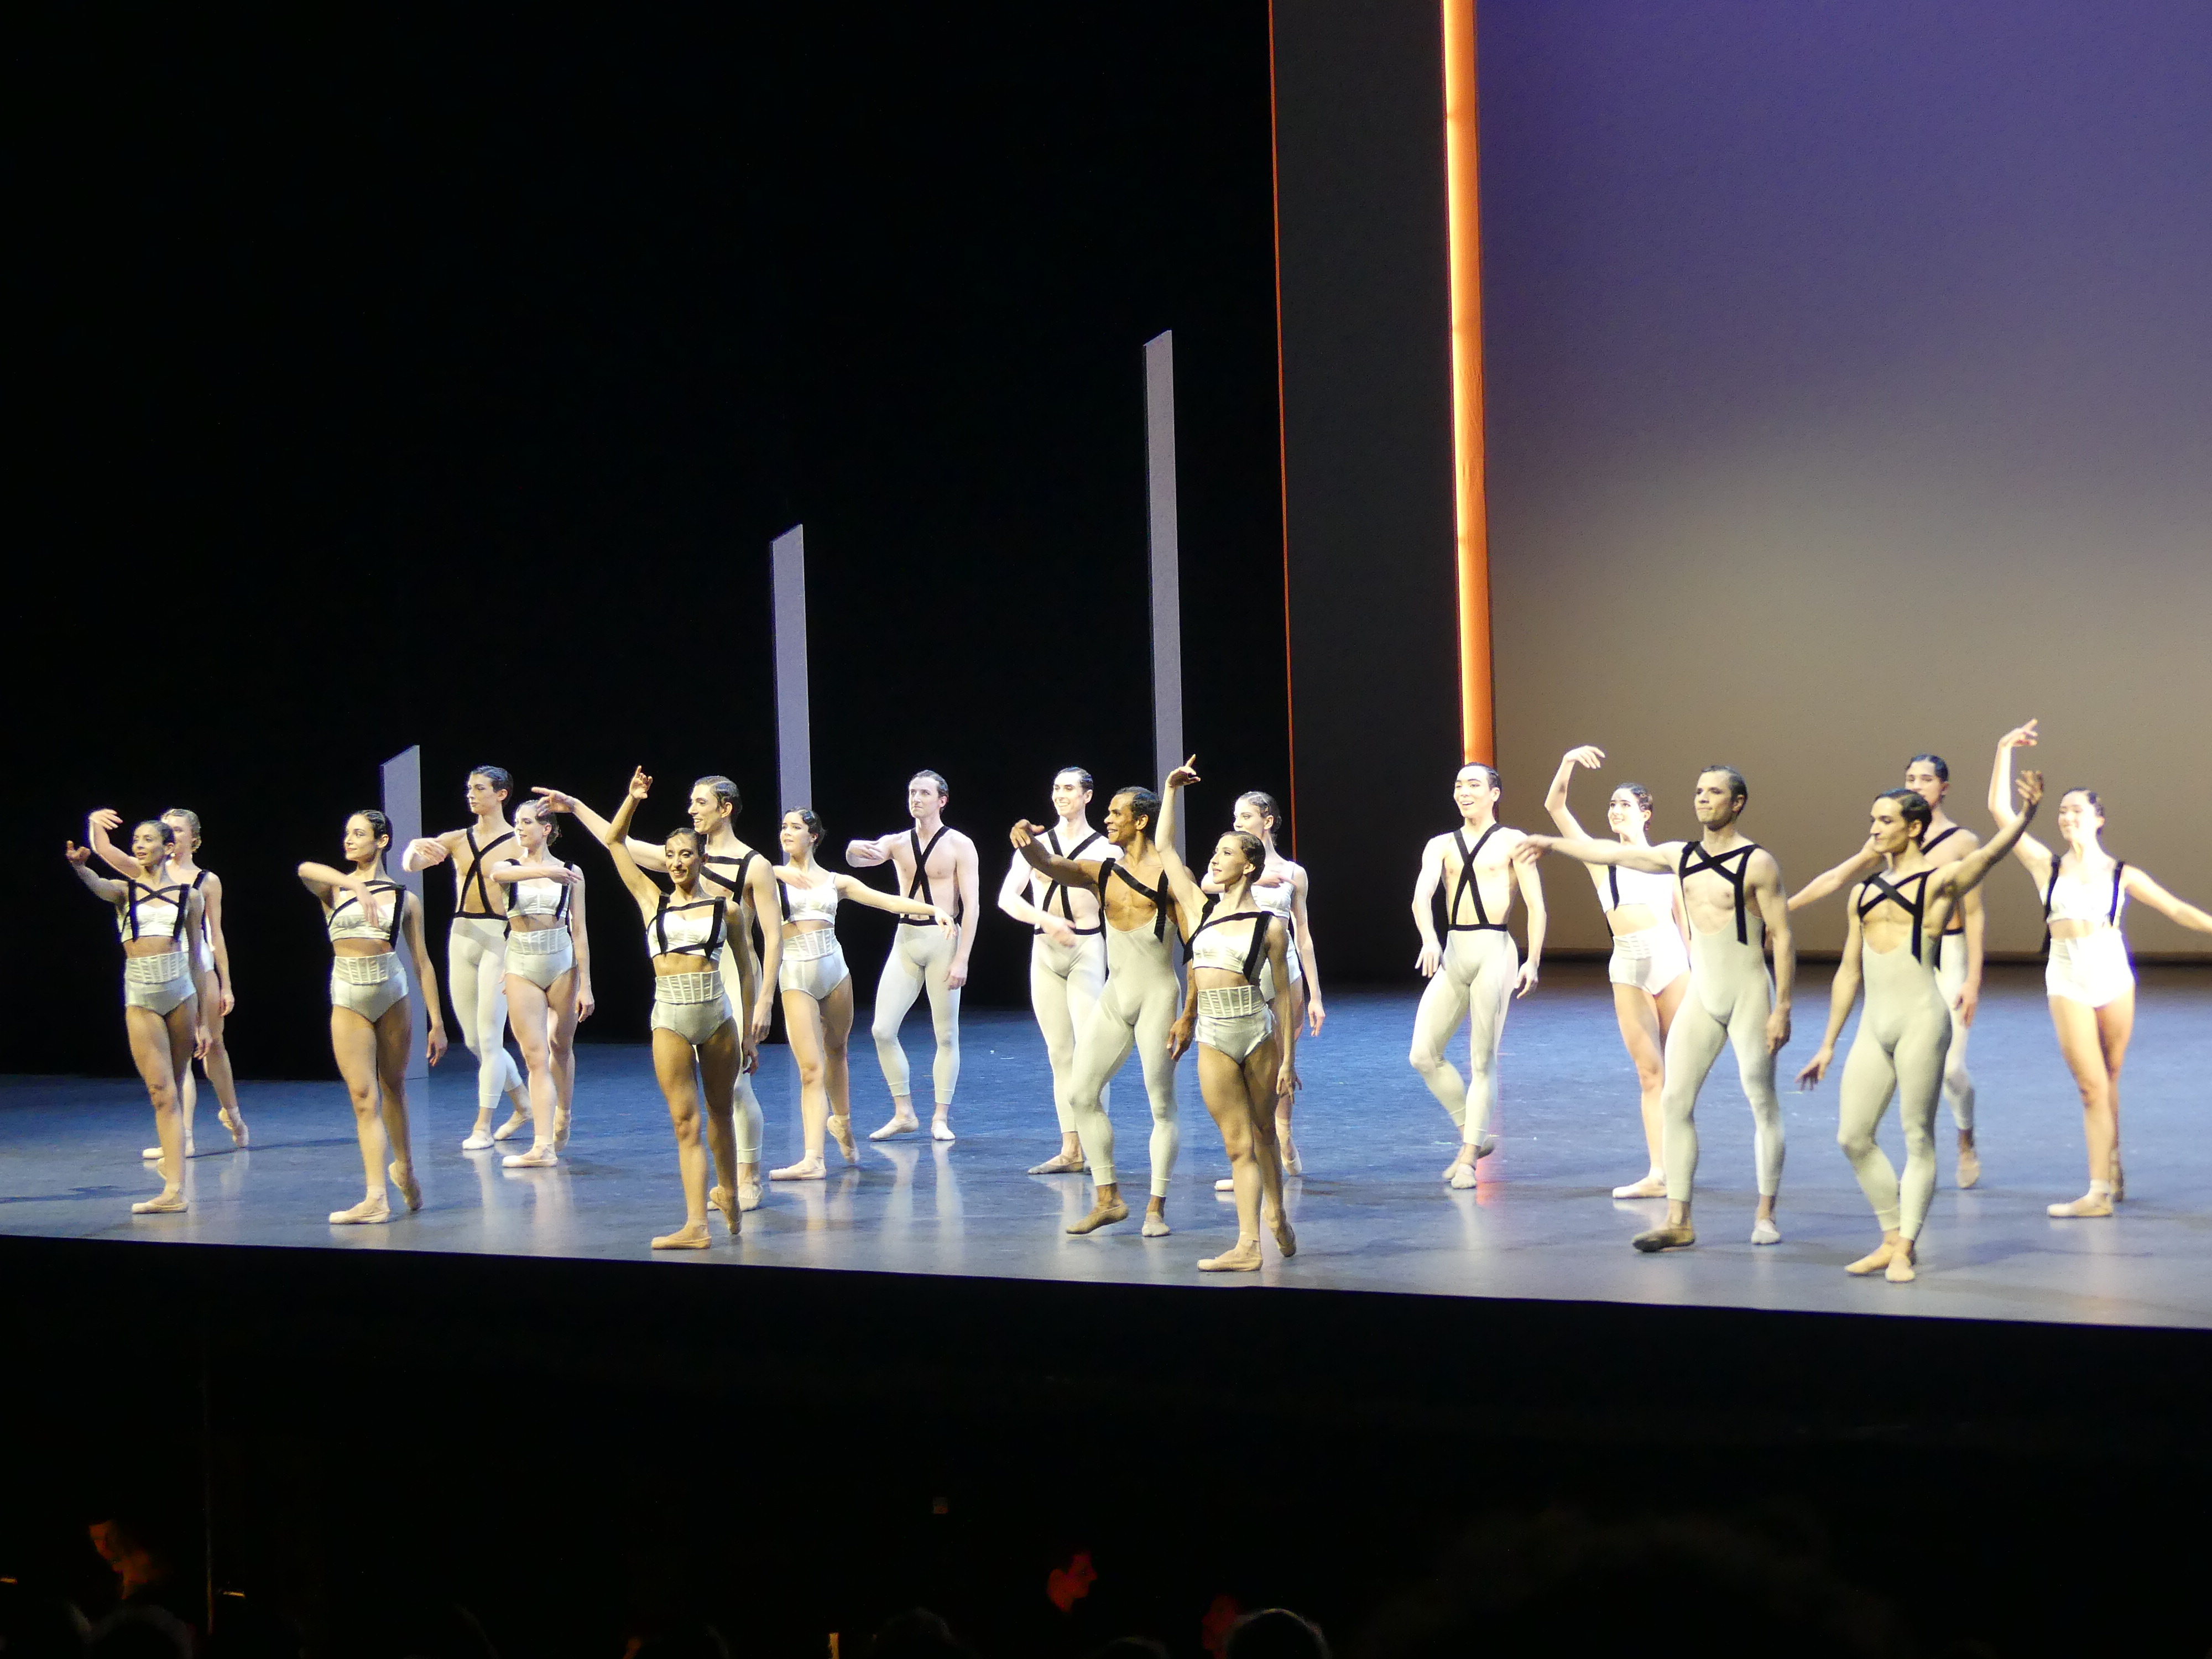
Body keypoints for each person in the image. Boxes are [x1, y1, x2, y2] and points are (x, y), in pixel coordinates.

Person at [1515, 764, 1793, 1251]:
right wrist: (1552, 842)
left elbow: (1784, 937)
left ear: (1737, 802)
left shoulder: (1758, 863)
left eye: (1715, 792)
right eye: (1699, 791)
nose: (1703, 798)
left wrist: (1783, 1006)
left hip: (1747, 990)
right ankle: (1678, 1220)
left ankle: (1766, 1214)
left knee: (1761, 1101)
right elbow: (1611, 852)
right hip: (1702, 991)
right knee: (1673, 1099)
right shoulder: (1680, 856)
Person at [1794, 759, 2041, 1281]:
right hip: (1874, 1025)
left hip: (1922, 1022)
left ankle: (1906, 1247)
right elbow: (1848, 972)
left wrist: (2025, 816)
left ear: (1913, 828)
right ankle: (1891, 1236)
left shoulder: (1939, 883)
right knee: (1853, 1136)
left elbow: (1989, 857)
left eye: (1884, 821)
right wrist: (1828, 1044)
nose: (1874, 829)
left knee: (1917, 1136)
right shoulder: (1863, 893)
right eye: (1872, 820)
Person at [1989, 721, 2212, 1218]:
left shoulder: (2122, 873)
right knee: (2090, 1085)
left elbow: (2177, 909)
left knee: (2110, 1076)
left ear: (2099, 819)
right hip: (2066, 976)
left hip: (2112, 975)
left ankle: (2112, 1161)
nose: (2067, 817)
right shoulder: (2045, 864)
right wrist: (2005, 749)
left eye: (2076, 810)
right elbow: (2001, 812)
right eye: (2062, 811)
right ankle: (2097, 1194)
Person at [533, 775, 781, 1208]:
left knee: (737, 1086)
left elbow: (773, 939)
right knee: (708, 1093)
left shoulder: (754, 864)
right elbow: (619, 842)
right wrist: (575, 806)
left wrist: (764, 1001)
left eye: (700, 802)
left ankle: (748, 1178)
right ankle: (722, 1184)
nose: (692, 809)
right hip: (688, 979)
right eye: (691, 802)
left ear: (725, 808)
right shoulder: (683, 854)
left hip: (732, 974)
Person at [1789, 752, 1991, 1187]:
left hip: (1948, 953)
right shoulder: (1885, 839)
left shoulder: (1962, 842)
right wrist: (1784, 909)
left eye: (1926, 779)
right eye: (1911, 778)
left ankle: (1965, 1138)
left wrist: (1974, 978)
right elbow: (1837, 878)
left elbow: (1974, 912)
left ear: (1943, 788)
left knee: (1952, 1069)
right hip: (1903, 959)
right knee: (1900, 1062)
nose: (1918, 785)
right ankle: (1914, 1159)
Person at [583, 769, 750, 1248]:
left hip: (717, 1016)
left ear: (701, 859)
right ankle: (697, 1225)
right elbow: (614, 842)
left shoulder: (726, 910)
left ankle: (730, 1192)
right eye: (671, 855)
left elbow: (746, 969)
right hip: (670, 1018)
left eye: (686, 855)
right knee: (685, 1123)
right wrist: (632, 799)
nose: (677, 862)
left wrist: (753, 1031)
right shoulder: (650, 901)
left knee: (721, 1112)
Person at [1012, 785, 1183, 1238]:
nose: (1107, 819)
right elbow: (1050, 864)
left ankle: (1155, 1209)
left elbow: (1195, 949)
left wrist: (1190, 1014)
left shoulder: (1170, 876)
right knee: (1081, 1094)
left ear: (1140, 822)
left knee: (1161, 1105)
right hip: (1115, 995)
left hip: (1158, 997)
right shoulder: (1102, 872)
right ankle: (1109, 1199)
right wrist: (1025, 840)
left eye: (1115, 813)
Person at [1154, 760, 1299, 1271]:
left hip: (1256, 1033)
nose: (1215, 860)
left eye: (1227, 854)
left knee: (1264, 1134)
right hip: (1214, 1034)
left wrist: (1288, 1060)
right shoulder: (1200, 909)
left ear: (1249, 866)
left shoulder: (1270, 926)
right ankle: (1248, 1245)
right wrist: (1170, 791)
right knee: (1238, 1146)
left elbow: (1283, 998)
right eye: (1215, 852)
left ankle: (1276, 1214)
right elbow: (1165, 849)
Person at [766, 807, 958, 1180]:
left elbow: (886, 900)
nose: (786, 832)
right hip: (796, 974)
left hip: (834, 972)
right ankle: (813, 1158)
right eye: (784, 827)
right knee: (810, 1069)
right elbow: (734, 871)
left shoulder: (836, 882)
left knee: (837, 1051)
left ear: (813, 836)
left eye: (795, 827)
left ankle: (842, 1122)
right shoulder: (770, 877)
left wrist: (933, 910)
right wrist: (773, 870)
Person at [1543, 748, 1690, 1199]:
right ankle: (1658, 1174)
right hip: (1628, 966)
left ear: (1646, 813)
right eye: (1611, 804)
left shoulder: (1666, 859)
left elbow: (1683, 922)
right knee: (1650, 1074)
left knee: (1679, 1074)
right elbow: (1555, 808)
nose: (1615, 810)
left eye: (1625, 804)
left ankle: (1680, 1166)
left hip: (1672, 964)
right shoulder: (1599, 856)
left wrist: (1697, 970)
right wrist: (1568, 761)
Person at [297, 810, 446, 1223]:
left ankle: (406, 1169)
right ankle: (376, 1197)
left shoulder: (404, 898)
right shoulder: (334, 889)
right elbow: (304, 868)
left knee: (393, 1088)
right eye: (347, 833)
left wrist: (437, 1022)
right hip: (349, 996)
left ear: (382, 841)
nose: (349, 840)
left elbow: (422, 962)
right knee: (364, 1098)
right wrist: (354, 885)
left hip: (392, 994)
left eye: (359, 833)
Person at [1408, 764, 1546, 1190]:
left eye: (1473, 785)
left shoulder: (1513, 841)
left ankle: (1468, 1158)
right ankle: (1475, 1132)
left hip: (1494, 950)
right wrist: (1429, 939)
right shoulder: (1440, 844)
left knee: (1482, 1059)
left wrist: (1533, 960)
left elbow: (1536, 906)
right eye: (1458, 786)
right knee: (1423, 1055)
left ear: (1494, 794)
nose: (1463, 792)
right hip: (1454, 952)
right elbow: (1422, 895)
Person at [87, 806, 249, 1157]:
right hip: (163, 972)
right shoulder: (142, 871)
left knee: (213, 1046)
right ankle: (182, 1137)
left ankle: (233, 1115)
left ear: (193, 839)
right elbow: (104, 852)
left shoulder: (205, 881)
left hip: (198, 966)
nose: (169, 834)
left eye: (176, 829)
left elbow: (216, 934)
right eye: (166, 828)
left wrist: (226, 983)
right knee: (181, 1059)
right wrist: (94, 823)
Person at [66, 817, 208, 1213]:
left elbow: (196, 959)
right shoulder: (124, 891)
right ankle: (173, 1188)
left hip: (180, 994)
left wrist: (204, 1021)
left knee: (175, 1087)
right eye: (136, 840)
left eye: (148, 840)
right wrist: (80, 867)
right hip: (142, 996)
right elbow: (97, 883)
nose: (140, 845)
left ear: (168, 848)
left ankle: (175, 1188)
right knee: (161, 1092)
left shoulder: (190, 896)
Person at [401, 766, 534, 1150]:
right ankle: (523, 1105)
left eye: (480, 788)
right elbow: (412, 865)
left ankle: (482, 1126)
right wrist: (415, 848)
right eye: (469, 788)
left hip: (499, 938)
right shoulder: (457, 839)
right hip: (461, 936)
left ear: (501, 794)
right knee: (475, 1041)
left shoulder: (518, 843)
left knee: (490, 1038)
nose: (471, 794)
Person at [995, 766, 1119, 1175]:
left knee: (1090, 1051)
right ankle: (1071, 1149)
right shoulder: (1034, 845)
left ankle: (1096, 1147)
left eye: (1069, 788)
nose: (1060, 795)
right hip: (1045, 950)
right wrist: (1046, 920)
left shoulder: (1106, 848)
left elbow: (1119, 907)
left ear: (1087, 796)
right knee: (1059, 1053)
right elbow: (1007, 899)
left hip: (1087, 948)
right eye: (1056, 788)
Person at [846, 771, 980, 1141]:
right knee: (882, 1029)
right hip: (905, 937)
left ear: (942, 800)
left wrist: (963, 958)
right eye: (912, 793)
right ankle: (904, 1113)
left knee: (946, 1035)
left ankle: (940, 1117)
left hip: (943, 939)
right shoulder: (897, 842)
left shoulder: (960, 844)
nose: (916, 799)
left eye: (924, 793)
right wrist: (852, 850)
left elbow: (972, 906)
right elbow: (861, 861)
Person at [1202, 790, 1324, 1188]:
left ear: (1267, 821)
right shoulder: (1235, 865)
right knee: (1246, 1060)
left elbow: (1303, 934)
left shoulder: (1294, 872)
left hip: (1284, 968)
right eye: (1236, 816)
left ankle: (1282, 1133)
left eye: (1246, 816)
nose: (1237, 822)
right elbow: (1205, 883)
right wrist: (1253, 876)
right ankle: (1248, 1158)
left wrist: (1316, 994)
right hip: (1244, 968)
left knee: (1280, 1058)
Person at [487, 799, 594, 1168]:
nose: (519, 827)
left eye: (527, 822)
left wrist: (586, 985)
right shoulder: (508, 866)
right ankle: (542, 1146)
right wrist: (546, 873)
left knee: (560, 1047)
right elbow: (497, 876)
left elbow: (579, 930)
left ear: (546, 829)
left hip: (561, 963)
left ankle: (564, 1113)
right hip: (521, 964)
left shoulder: (571, 872)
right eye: (517, 822)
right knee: (535, 1057)